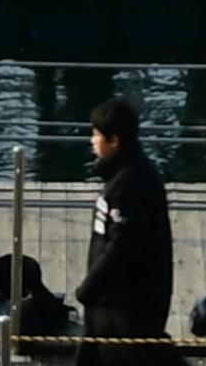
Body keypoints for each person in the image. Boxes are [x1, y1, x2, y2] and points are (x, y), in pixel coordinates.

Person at [75, 96, 174, 363]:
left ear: (114, 140)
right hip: (109, 304)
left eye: (97, 135)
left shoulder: (130, 184)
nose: (92, 141)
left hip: (126, 307)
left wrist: (89, 288)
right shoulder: (121, 176)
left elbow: (123, 247)